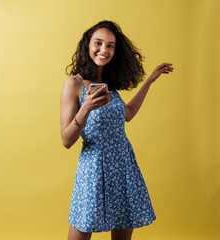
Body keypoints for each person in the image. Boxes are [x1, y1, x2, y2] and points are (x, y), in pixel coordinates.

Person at [60, 20, 174, 240]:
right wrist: (86, 108)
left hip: (123, 165)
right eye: (99, 43)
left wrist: (150, 81)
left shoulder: (109, 84)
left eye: (110, 45)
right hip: (93, 169)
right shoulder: (73, 85)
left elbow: (128, 113)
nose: (104, 49)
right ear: (88, 45)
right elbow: (66, 140)